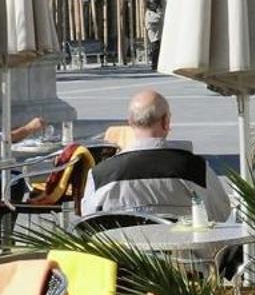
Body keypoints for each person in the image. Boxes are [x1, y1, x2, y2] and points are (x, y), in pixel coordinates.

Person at [82, 88, 231, 221]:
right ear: (166, 122)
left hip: (122, 249)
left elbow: (88, 220)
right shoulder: (195, 168)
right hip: (182, 250)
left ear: (130, 122)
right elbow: (221, 214)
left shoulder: (100, 175)